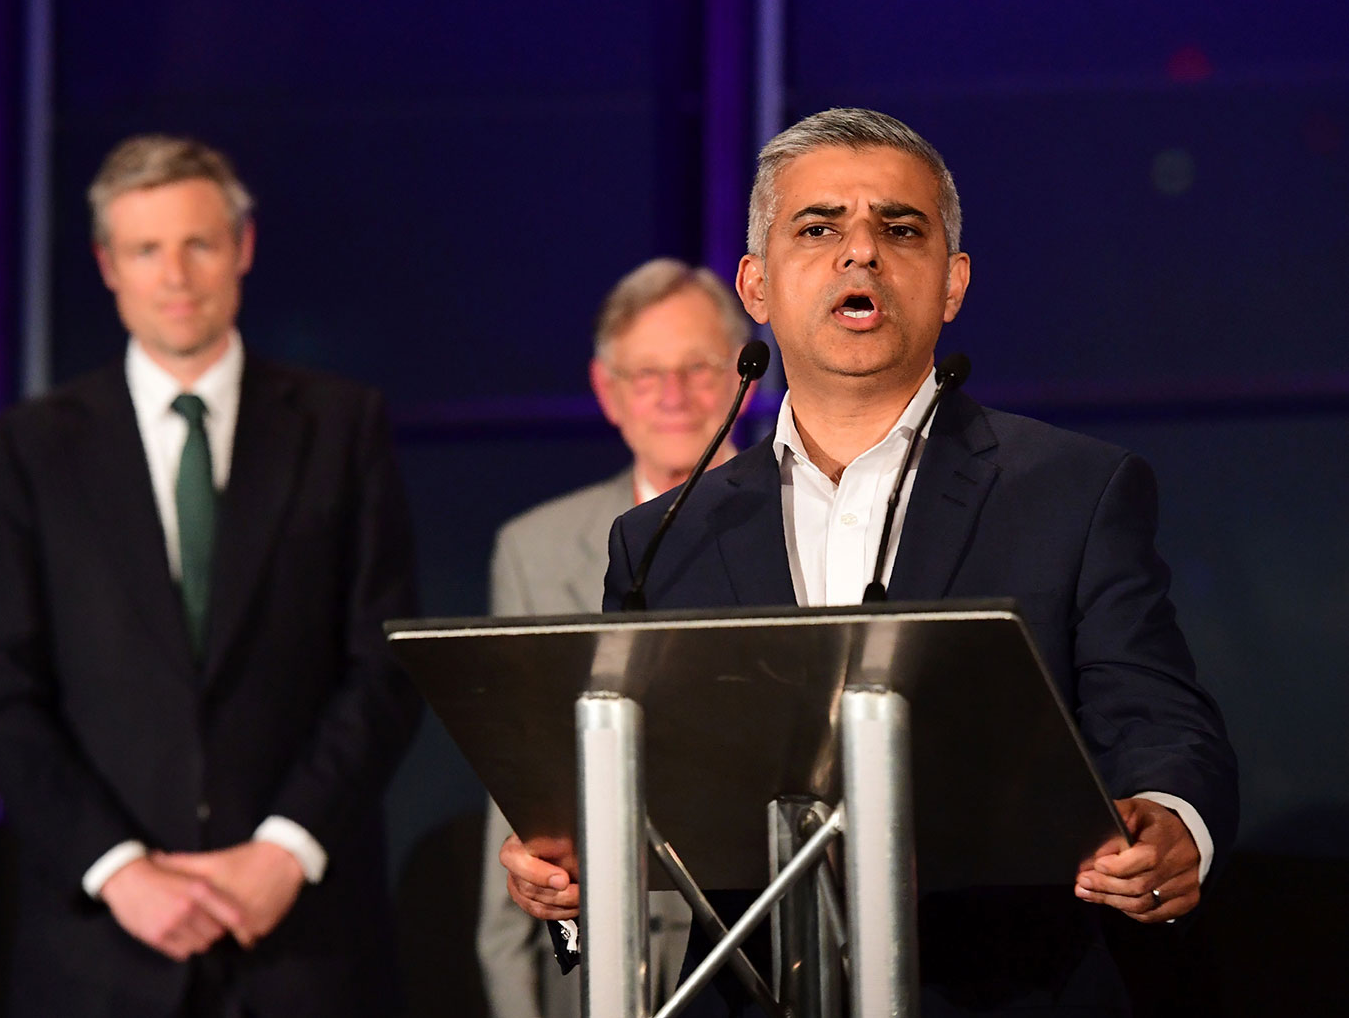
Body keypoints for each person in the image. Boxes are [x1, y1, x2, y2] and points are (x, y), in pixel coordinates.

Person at [500, 108, 1238, 1015]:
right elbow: (619, 799)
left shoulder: (1076, 489)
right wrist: (572, 872)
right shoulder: (664, 535)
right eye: (818, 228)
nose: (861, 254)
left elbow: (1160, 716)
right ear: (757, 286)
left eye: (899, 228)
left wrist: (1170, 821)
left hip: (1007, 988)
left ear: (953, 281)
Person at [0, 135, 421, 1017]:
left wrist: (285, 848)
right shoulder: (30, 449)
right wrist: (120, 869)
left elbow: (385, 662)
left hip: (305, 940)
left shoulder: (340, 425)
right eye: (145, 249)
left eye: (198, 243)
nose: (174, 274)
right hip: (100, 949)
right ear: (107, 265)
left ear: (241, 249)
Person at [477, 258, 755, 1017]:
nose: (673, 397)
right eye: (645, 374)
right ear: (606, 392)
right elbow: (516, 802)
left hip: (768, 945)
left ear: (744, 377)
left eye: (698, 369)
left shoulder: (797, 528)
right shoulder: (533, 549)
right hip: (597, 959)